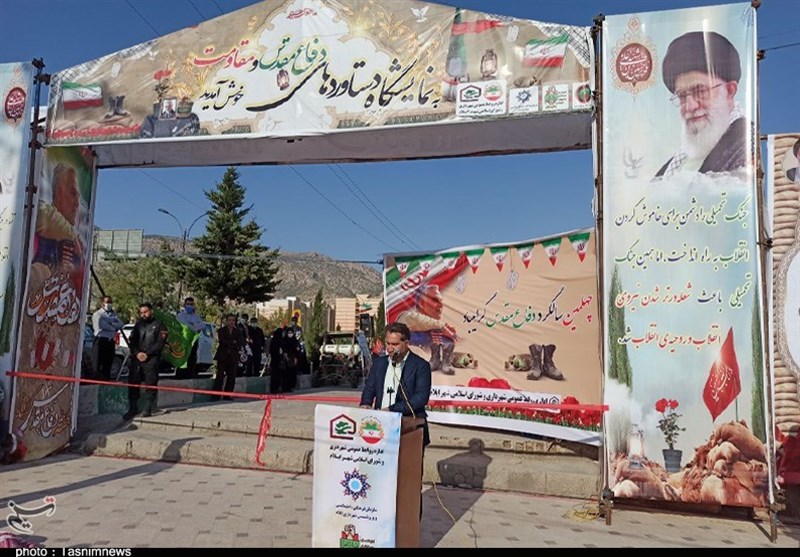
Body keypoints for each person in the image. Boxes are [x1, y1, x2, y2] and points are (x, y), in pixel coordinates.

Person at [360, 322, 431, 517]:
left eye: (395, 344)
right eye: (388, 344)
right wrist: (365, 404)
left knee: (408, 481)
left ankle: (409, 523)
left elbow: (420, 398)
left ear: (406, 343)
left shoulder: (420, 366)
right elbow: (370, 387)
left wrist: (391, 409)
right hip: (380, 430)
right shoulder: (380, 363)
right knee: (379, 479)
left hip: (409, 430)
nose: (390, 349)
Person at [654, 31, 747, 179]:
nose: (690, 106)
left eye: (700, 91)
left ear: (729, 91)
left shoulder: (745, 147)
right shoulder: (673, 166)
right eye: (682, 96)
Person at [397, 283, 458, 375]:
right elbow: (422, 321)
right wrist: (443, 327)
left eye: (440, 301)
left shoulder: (441, 332)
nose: (440, 305)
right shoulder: (408, 318)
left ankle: (440, 362)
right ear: (421, 303)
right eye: (435, 300)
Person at [123, 303, 167, 420]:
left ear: (151, 311)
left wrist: (147, 354)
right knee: (133, 383)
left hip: (151, 359)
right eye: (141, 312)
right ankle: (132, 408)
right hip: (137, 359)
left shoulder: (160, 325)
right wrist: (137, 353)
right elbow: (132, 341)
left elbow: (160, 343)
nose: (143, 315)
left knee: (151, 383)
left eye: (145, 312)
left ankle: (148, 408)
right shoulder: (138, 325)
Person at [91, 296, 124, 380]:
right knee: (97, 365)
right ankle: (96, 382)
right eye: (107, 302)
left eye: (110, 302)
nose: (109, 304)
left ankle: (105, 381)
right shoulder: (98, 314)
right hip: (100, 341)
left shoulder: (113, 314)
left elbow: (120, 324)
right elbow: (101, 326)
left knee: (107, 365)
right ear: (102, 303)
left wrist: (111, 323)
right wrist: (113, 327)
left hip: (110, 341)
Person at [213, 313, 244, 400]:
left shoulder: (238, 332)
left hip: (233, 357)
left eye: (233, 320)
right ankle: (216, 395)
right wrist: (233, 342)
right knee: (220, 376)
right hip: (222, 356)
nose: (231, 322)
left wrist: (232, 342)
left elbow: (240, 343)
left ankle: (227, 395)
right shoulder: (221, 331)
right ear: (227, 321)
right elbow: (222, 341)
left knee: (231, 377)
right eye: (230, 320)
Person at [176, 297, 204, 378]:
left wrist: (193, 326)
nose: (189, 306)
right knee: (182, 358)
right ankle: (180, 376)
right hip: (183, 340)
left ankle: (190, 375)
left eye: (191, 304)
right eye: (188, 304)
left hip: (193, 341)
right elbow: (184, 325)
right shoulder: (180, 316)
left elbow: (202, 325)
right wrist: (194, 326)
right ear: (184, 305)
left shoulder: (196, 316)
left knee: (192, 358)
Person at [281, 325, 303, 393]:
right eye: (289, 333)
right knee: (286, 374)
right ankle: (285, 387)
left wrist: (296, 357)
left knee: (292, 374)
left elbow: (297, 349)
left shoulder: (294, 340)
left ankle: (290, 387)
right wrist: (286, 356)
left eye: (291, 333)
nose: (290, 334)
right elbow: (283, 349)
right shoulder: (284, 340)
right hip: (286, 359)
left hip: (293, 359)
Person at [268, 326, 285, 394]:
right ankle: (274, 388)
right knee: (275, 375)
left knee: (278, 375)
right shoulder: (275, 341)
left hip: (278, 361)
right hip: (275, 361)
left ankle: (277, 388)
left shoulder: (280, 341)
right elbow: (273, 351)